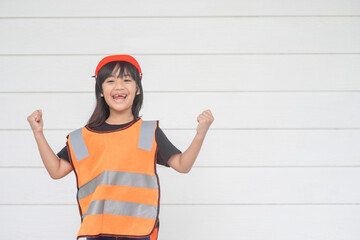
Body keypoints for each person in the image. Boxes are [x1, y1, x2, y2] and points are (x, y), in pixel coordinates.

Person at [27, 55, 214, 240]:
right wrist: (38, 133)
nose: (119, 86)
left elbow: (183, 165)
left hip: (139, 231)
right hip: (99, 232)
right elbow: (57, 170)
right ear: (100, 90)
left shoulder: (148, 132)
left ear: (137, 89)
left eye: (126, 79)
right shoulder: (82, 138)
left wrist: (200, 134)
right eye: (110, 80)